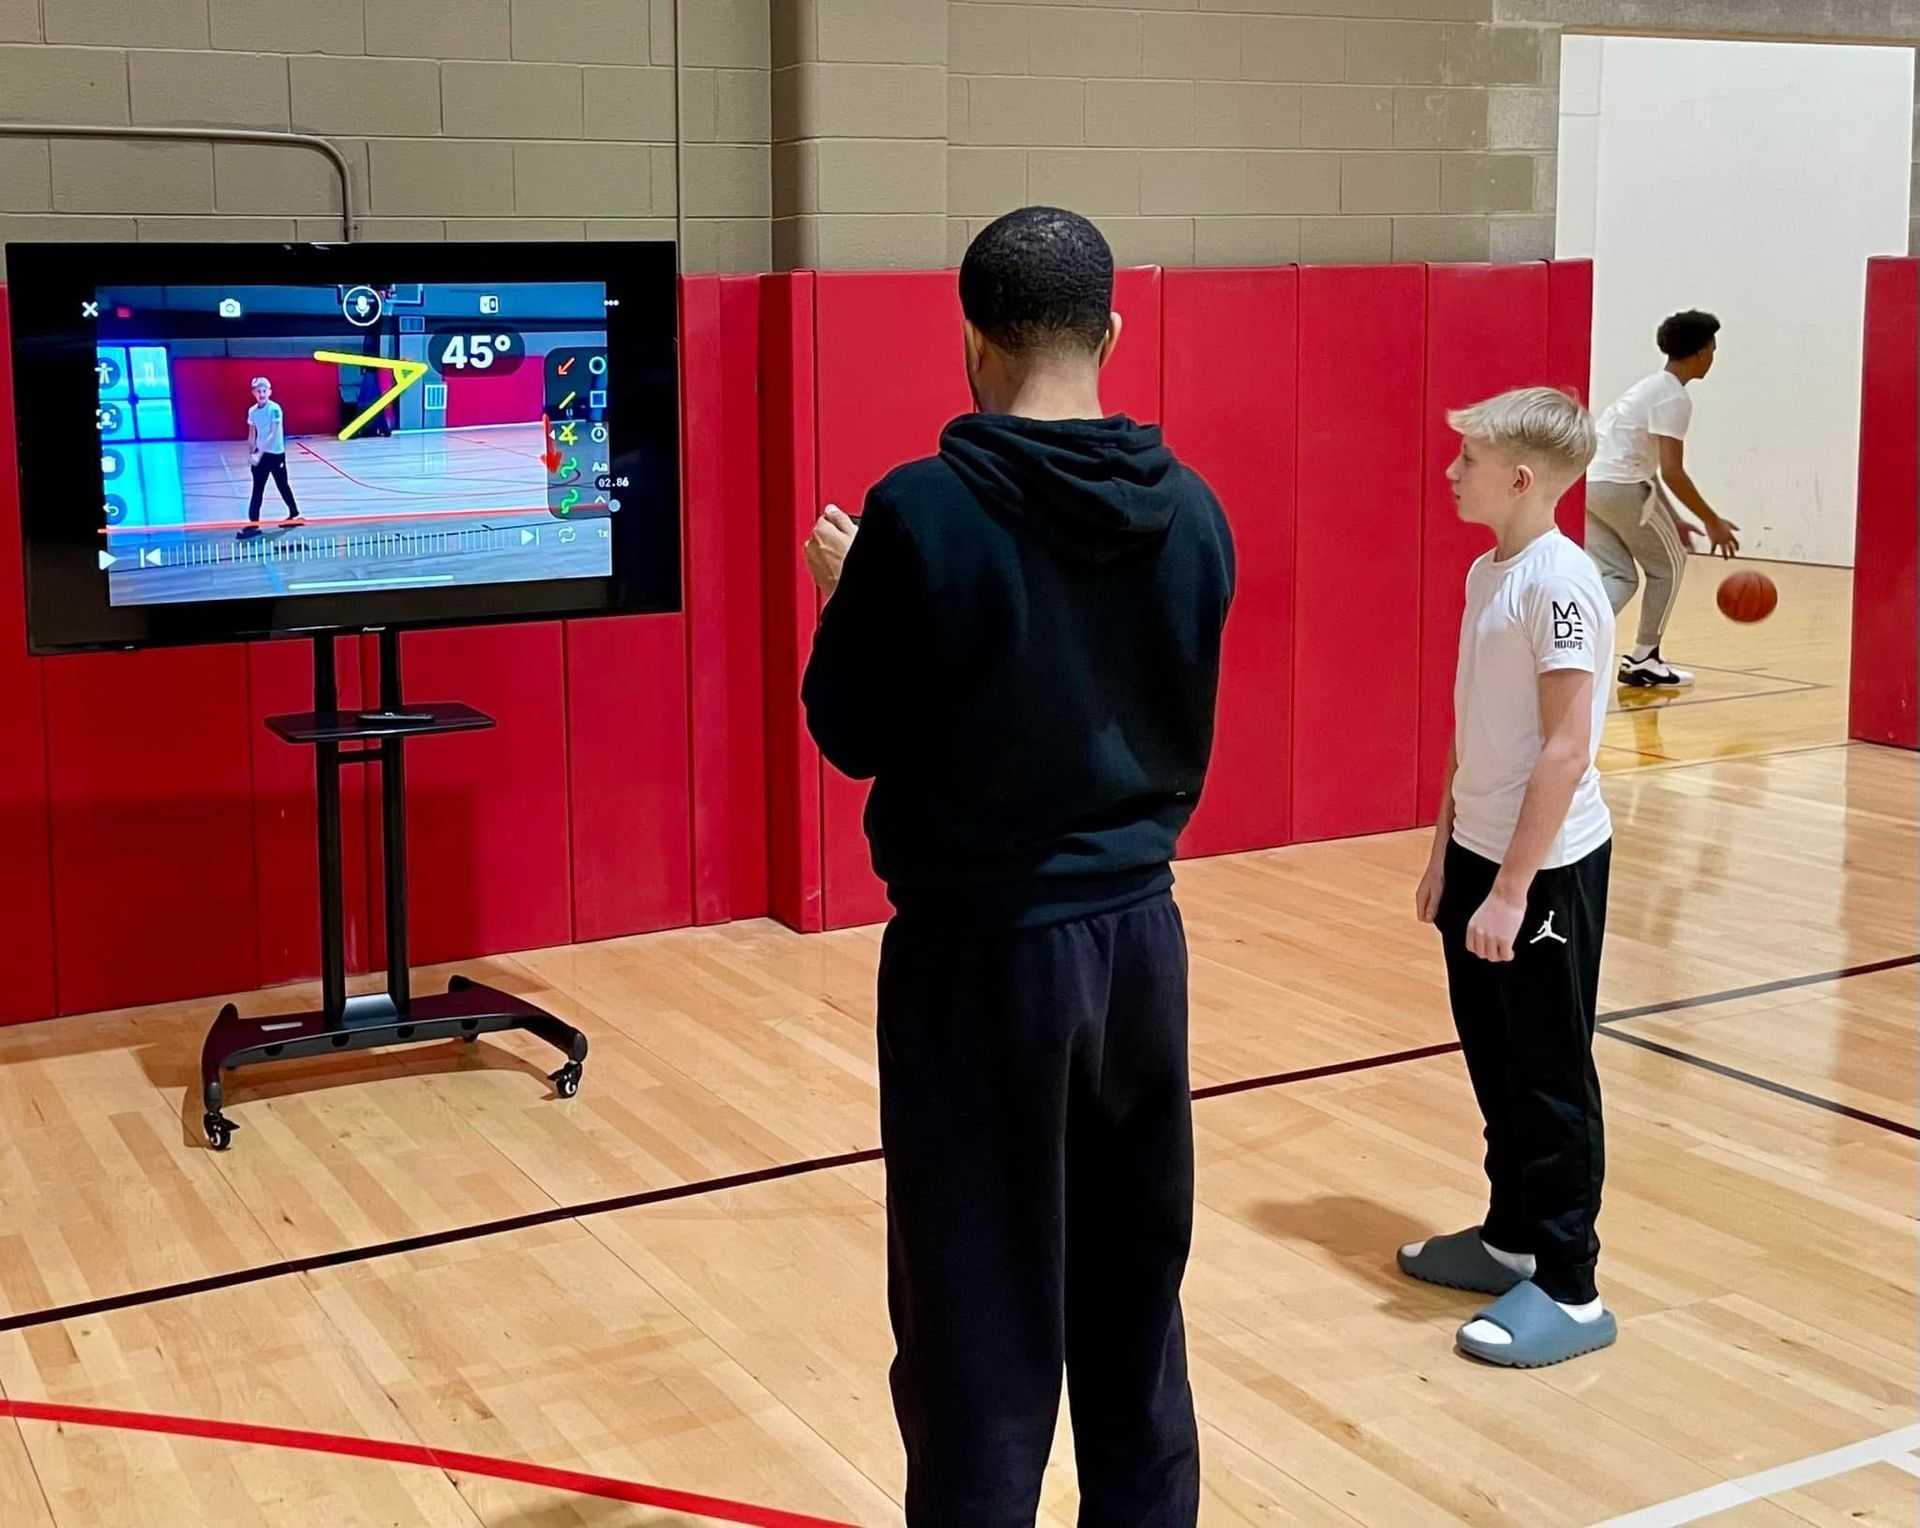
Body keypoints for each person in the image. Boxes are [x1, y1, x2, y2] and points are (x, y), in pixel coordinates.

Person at [799, 206, 1234, 1525]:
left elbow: (850, 731)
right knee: (1134, 1303)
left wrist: (854, 596)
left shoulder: (922, 515)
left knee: (977, 1318)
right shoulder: (1194, 510)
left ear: (972, 340)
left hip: (980, 958)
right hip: (1141, 946)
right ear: (1112, 331)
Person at [1401, 387, 1619, 1370]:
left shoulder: (1561, 586)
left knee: (1550, 1074)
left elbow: (1566, 750)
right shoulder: (1487, 571)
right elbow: (1474, 725)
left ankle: (1570, 1284)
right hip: (1482, 856)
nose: (1452, 474)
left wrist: (1512, 889)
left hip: (1546, 871)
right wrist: (1447, 853)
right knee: (1495, 1059)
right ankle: (1511, 1240)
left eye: (1469, 462)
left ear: (1522, 478)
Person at [1585, 309, 1739, 689]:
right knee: (1669, 567)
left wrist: (1675, 518)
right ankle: (1644, 659)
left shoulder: (1650, 388)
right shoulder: (1673, 398)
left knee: (1619, 576)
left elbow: (1647, 466)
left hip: (1587, 485)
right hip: (1620, 487)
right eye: (1713, 349)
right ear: (1702, 352)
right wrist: (1712, 521)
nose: (1713, 357)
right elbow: (1672, 471)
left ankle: (1570, 643)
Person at [240, 375, 302, 539]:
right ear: (253, 393)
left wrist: (259, 453)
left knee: (282, 485)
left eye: (264, 391)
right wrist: (252, 454)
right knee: (257, 489)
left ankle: (294, 513)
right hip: (261, 456)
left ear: (269, 392)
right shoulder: (252, 411)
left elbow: (273, 434)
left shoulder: (274, 409)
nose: (261, 394)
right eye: (258, 391)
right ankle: (253, 524)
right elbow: (251, 435)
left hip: (275, 455)